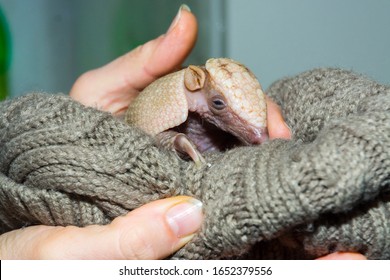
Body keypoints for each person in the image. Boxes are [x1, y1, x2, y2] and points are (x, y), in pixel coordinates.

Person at [0, 5, 365, 260]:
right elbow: (143, 134)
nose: (255, 135)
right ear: (192, 85)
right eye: (219, 105)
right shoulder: (166, 105)